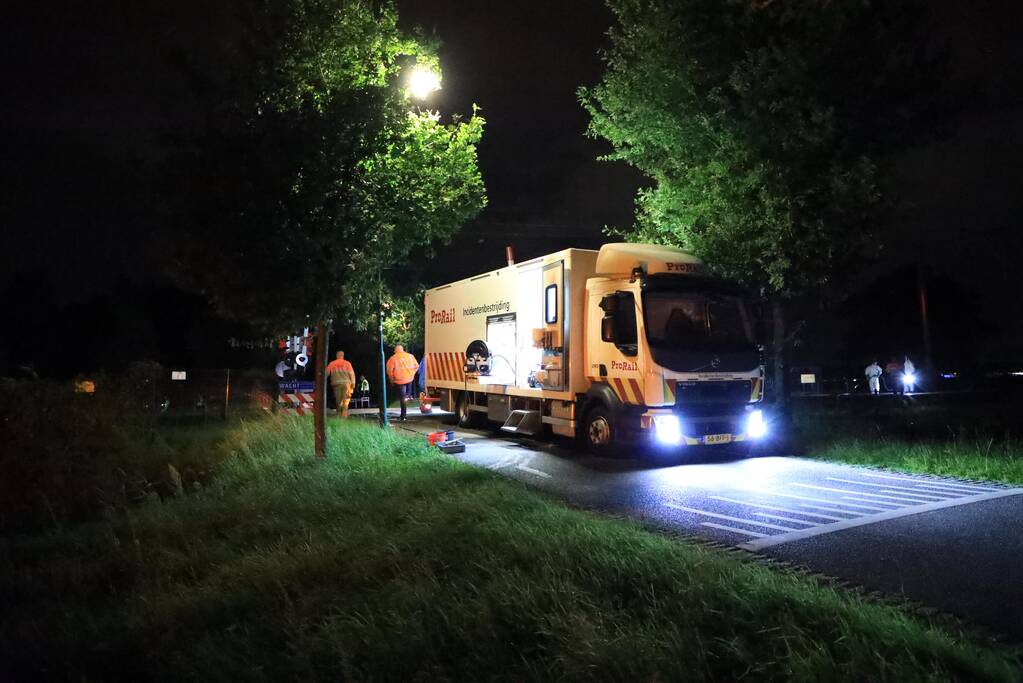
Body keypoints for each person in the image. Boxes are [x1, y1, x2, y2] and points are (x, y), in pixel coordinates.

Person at [386, 344, 420, 421]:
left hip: (399, 381)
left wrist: (391, 380)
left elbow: (389, 371)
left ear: (395, 350)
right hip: (410, 379)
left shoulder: (393, 358)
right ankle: (409, 397)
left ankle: (403, 415)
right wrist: (412, 373)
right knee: (406, 396)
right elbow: (417, 366)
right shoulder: (410, 356)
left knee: (402, 398)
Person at [326, 351, 355, 417]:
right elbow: (352, 374)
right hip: (346, 384)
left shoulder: (332, 363)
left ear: (337, 356)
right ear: (343, 355)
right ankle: (344, 416)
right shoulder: (347, 363)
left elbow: (326, 374)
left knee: (338, 401)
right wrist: (353, 384)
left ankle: (338, 414)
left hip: (336, 384)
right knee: (346, 401)